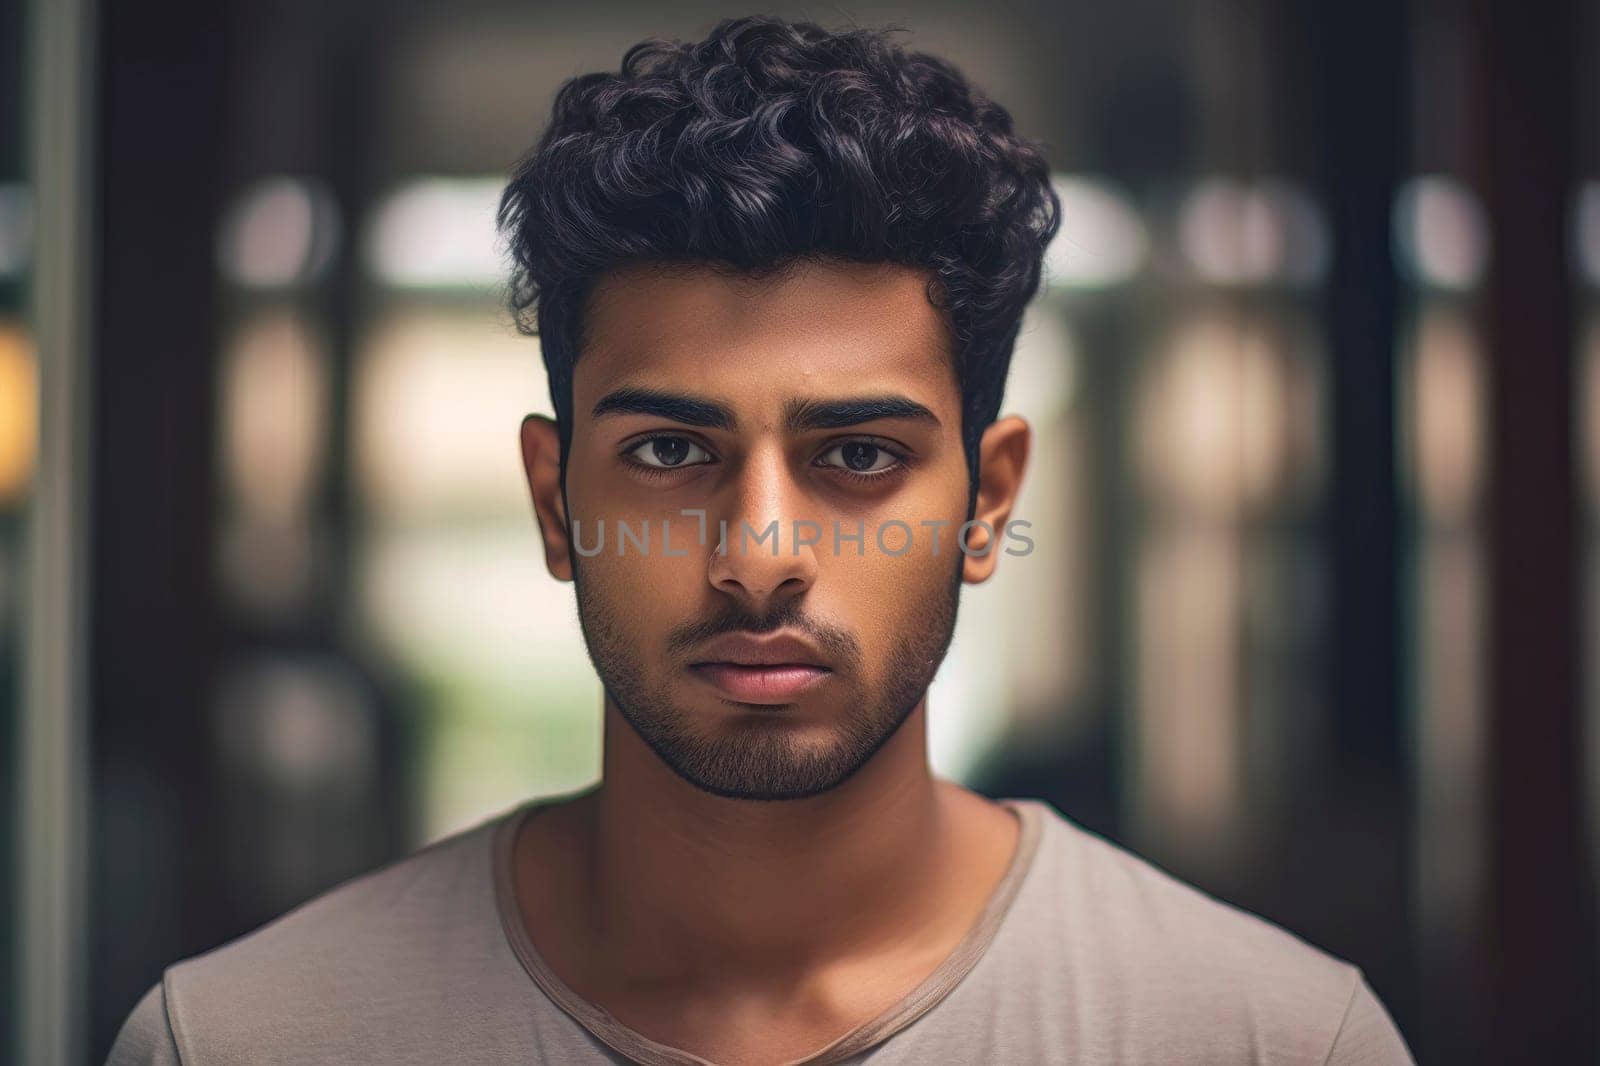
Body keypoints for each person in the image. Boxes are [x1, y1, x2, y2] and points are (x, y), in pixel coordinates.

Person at [108, 14, 1414, 1065]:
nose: (760, 551)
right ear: (558, 504)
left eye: (859, 454)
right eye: (673, 452)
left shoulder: (1271, 1038)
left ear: (989, 504)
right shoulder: (241, 1038)